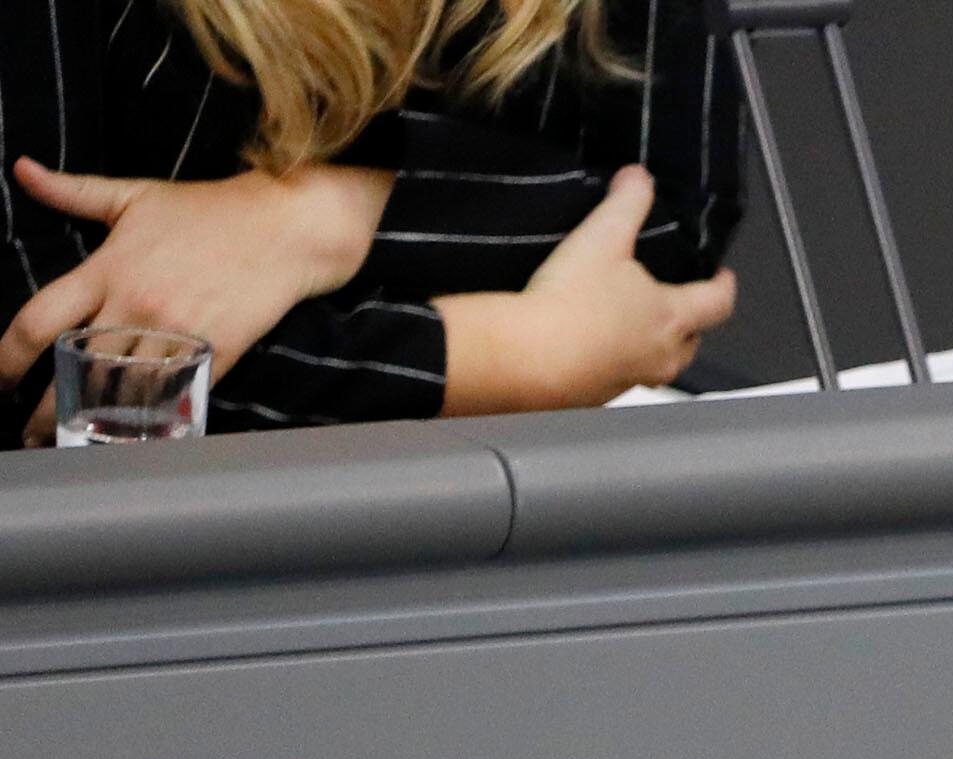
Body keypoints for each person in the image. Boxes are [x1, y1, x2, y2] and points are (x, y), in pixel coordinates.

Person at [3, 0, 739, 437]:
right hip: (124, 573)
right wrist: (514, 356)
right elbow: (50, 365)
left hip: (473, 533)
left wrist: (323, 219)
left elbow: (671, 231)